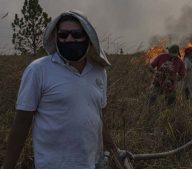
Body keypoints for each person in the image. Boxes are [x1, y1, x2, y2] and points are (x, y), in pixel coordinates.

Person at [2, 10, 119, 169]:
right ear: (56, 37)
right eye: (63, 35)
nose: (69, 39)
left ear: (87, 37)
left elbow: (98, 118)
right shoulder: (38, 70)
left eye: (76, 34)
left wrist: (114, 151)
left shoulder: (99, 72)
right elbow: (21, 125)